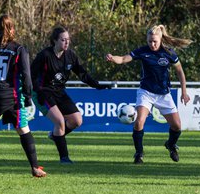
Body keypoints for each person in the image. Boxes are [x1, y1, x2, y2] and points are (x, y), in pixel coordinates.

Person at [106, 24, 191, 164]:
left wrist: (184, 92)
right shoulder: (143, 51)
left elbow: (180, 72)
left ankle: (170, 145)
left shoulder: (169, 53)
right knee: (139, 121)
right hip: (146, 93)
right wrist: (112, 58)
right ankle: (139, 153)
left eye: (155, 41)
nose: (152, 44)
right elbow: (122, 59)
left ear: (161, 39)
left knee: (177, 126)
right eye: (150, 41)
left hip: (164, 94)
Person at [31, 26, 109, 164]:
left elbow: (82, 74)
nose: (66, 42)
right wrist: (39, 91)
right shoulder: (45, 55)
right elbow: (32, 76)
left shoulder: (70, 56)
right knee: (60, 121)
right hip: (43, 92)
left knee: (77, 121)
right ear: (54, 40)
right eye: (63, 40)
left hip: (59, 92)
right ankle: (64, 158)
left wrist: (97, 85)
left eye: (68, 39)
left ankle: (56, 136)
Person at [0, 15, 46, 177]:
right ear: (12, 29)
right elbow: (26, 75)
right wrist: (28, 96)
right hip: (10, 96)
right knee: (23, 129)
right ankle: (35, 167)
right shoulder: (18, 49)